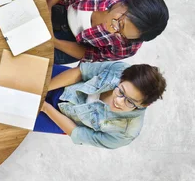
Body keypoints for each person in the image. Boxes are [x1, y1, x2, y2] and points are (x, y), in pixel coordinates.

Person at [45, 0, 169, 64]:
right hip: (58, 5)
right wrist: (48, 5)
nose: (111, 30)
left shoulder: (129, 47)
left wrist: (54, 42)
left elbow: (90, 54)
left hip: (69, 45)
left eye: (121, 35)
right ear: (127, 3)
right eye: (119, 23)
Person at [34, 62, 166, 149]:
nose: (119, 101)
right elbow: (81, 72)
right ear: (121, 79)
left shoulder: (124, 134)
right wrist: (43, 89)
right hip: (64, 82)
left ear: (145, 105)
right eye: (121, 91)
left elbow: (78, 133)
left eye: (130, 102)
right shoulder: (120, 69)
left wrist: (45, 107)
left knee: (16, 117)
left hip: (61, 119)